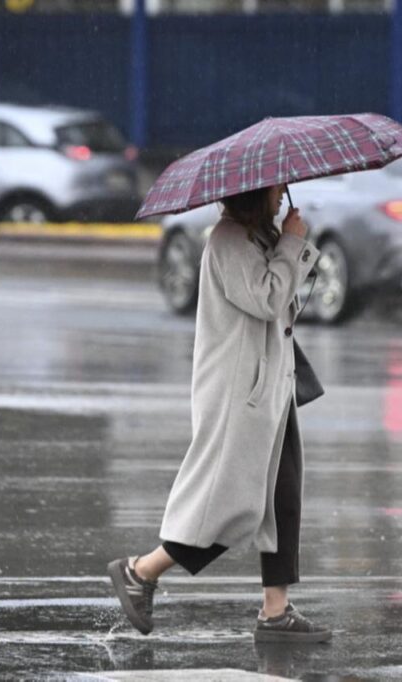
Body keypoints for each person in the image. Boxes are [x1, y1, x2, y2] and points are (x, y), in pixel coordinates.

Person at [108, 182, 331, 643]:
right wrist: (292, 243)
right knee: (230, 508)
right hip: (240, 398)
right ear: (256, 193)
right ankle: (142, 570)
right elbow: (267, 299)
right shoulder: (228, 241)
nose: (283, 192)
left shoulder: (255, 239)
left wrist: (287, 244)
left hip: (271, 391)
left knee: (282, 500)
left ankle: (276, 610)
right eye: (276, 188)